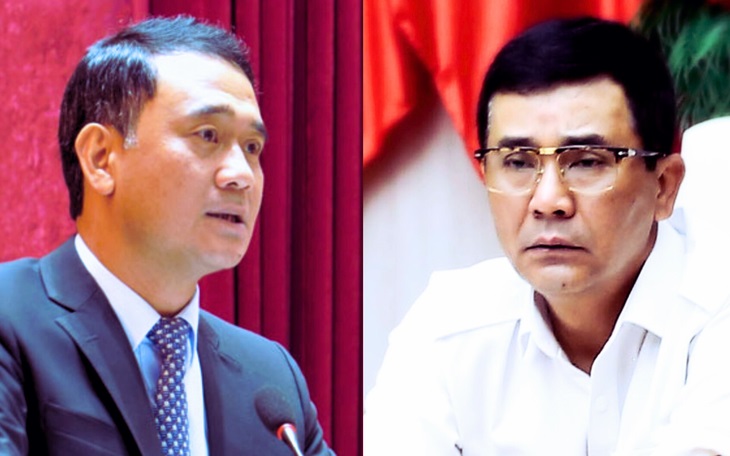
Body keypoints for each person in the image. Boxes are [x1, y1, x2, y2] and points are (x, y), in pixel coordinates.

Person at [364, 17, 730, 455]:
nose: (549, 200)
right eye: (518, 162)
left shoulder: (717, 311)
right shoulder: (447, 328)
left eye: (587, 161)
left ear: (664, 186)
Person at [0, 16, 333, 455]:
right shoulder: (11, 318)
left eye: (252, 148)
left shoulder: (270, 381)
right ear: (101, 158)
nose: (241, 175)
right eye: (208, 135)